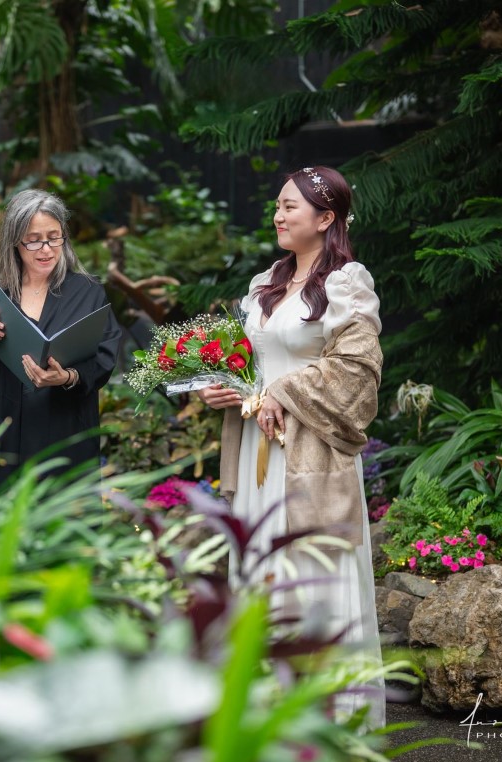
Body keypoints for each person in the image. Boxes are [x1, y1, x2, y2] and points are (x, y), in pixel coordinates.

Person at [197, 166, 385, 728]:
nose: (279, 216)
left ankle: (329, 717)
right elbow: (257, 367)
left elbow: (358, 373)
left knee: (311, 569)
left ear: (326, 218)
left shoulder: (347, 283)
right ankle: (264, 712)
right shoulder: (267, 284)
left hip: (312, 454)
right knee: (262, 570)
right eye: (277, 206)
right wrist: (232, 389)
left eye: (291, 208)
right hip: (259, 452)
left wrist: (281, 389)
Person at [0, 189, 121, 490]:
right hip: (0, 436)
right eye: (33, 239)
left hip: (63, 433)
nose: (46, 249)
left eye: (54, 237)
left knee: (61, 527)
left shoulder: (88, 291)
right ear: (15, 241)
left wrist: (67, 377)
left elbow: (104, 359)